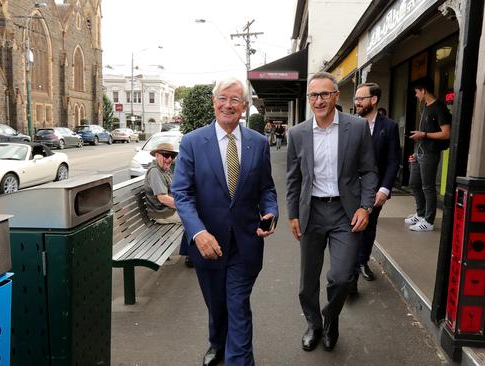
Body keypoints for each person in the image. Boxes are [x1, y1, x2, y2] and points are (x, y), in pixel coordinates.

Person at [172, 77, 278, 366]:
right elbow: (181, 193)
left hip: (246, 244)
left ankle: (238, 360)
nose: (228, 105)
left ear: (244, 107)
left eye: (235, 100)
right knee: (217, 304)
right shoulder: (193, 142)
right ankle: (217, 342)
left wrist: (271, 212)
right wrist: (198, 232)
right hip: (208, 244)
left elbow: (266, 188)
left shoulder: (258, 143)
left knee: (237, 305)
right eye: (223, 98)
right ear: (214, 102)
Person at [286, 71, 377, 352]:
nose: (319, 100)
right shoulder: (298, 133)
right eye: (314, 95)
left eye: (325, 94)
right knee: (307, 282)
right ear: (309, 98)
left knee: (341, 278)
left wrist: (366, 206)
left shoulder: (357, 127)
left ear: (336, 96)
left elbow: (370, 171)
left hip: (344, 212)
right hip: (311, 211)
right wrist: (292, 214)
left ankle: (330, 318)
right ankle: (314, 324)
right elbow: (293, 179)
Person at [350, 82, 400, 293]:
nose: (357, 102)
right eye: (356, 98)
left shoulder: (389, 127)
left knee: (369, 227)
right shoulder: (349, 124)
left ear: (374, 100)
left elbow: (393, 161)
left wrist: (384, 189)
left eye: (361, 98)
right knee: (349, 227)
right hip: (351, 188)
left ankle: (362, 262)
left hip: (376, 190)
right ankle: (349, 268)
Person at [406, 77, 451, 232]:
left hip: (430, 153)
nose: (416, 95)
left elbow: (446, 134)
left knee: (428, 187)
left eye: (417, 92)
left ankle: (429, 220)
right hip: (420, 152)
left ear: (423, 91)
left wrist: (423, 134)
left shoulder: (439, 107)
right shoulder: (425, 107)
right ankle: (420, 214)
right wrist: (415, 150)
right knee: (414, 183)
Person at [144, 143, 192, 267]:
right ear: (157, 155)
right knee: (194, 218)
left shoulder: (163, 169)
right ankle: (191, 256)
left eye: (171, 156)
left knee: (195, 212)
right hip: (162, 213)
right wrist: (184, 206)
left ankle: (189, 252)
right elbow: (163, 198)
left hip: (167, 210)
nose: (169, 159)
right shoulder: (155, 171)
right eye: (166, 155)